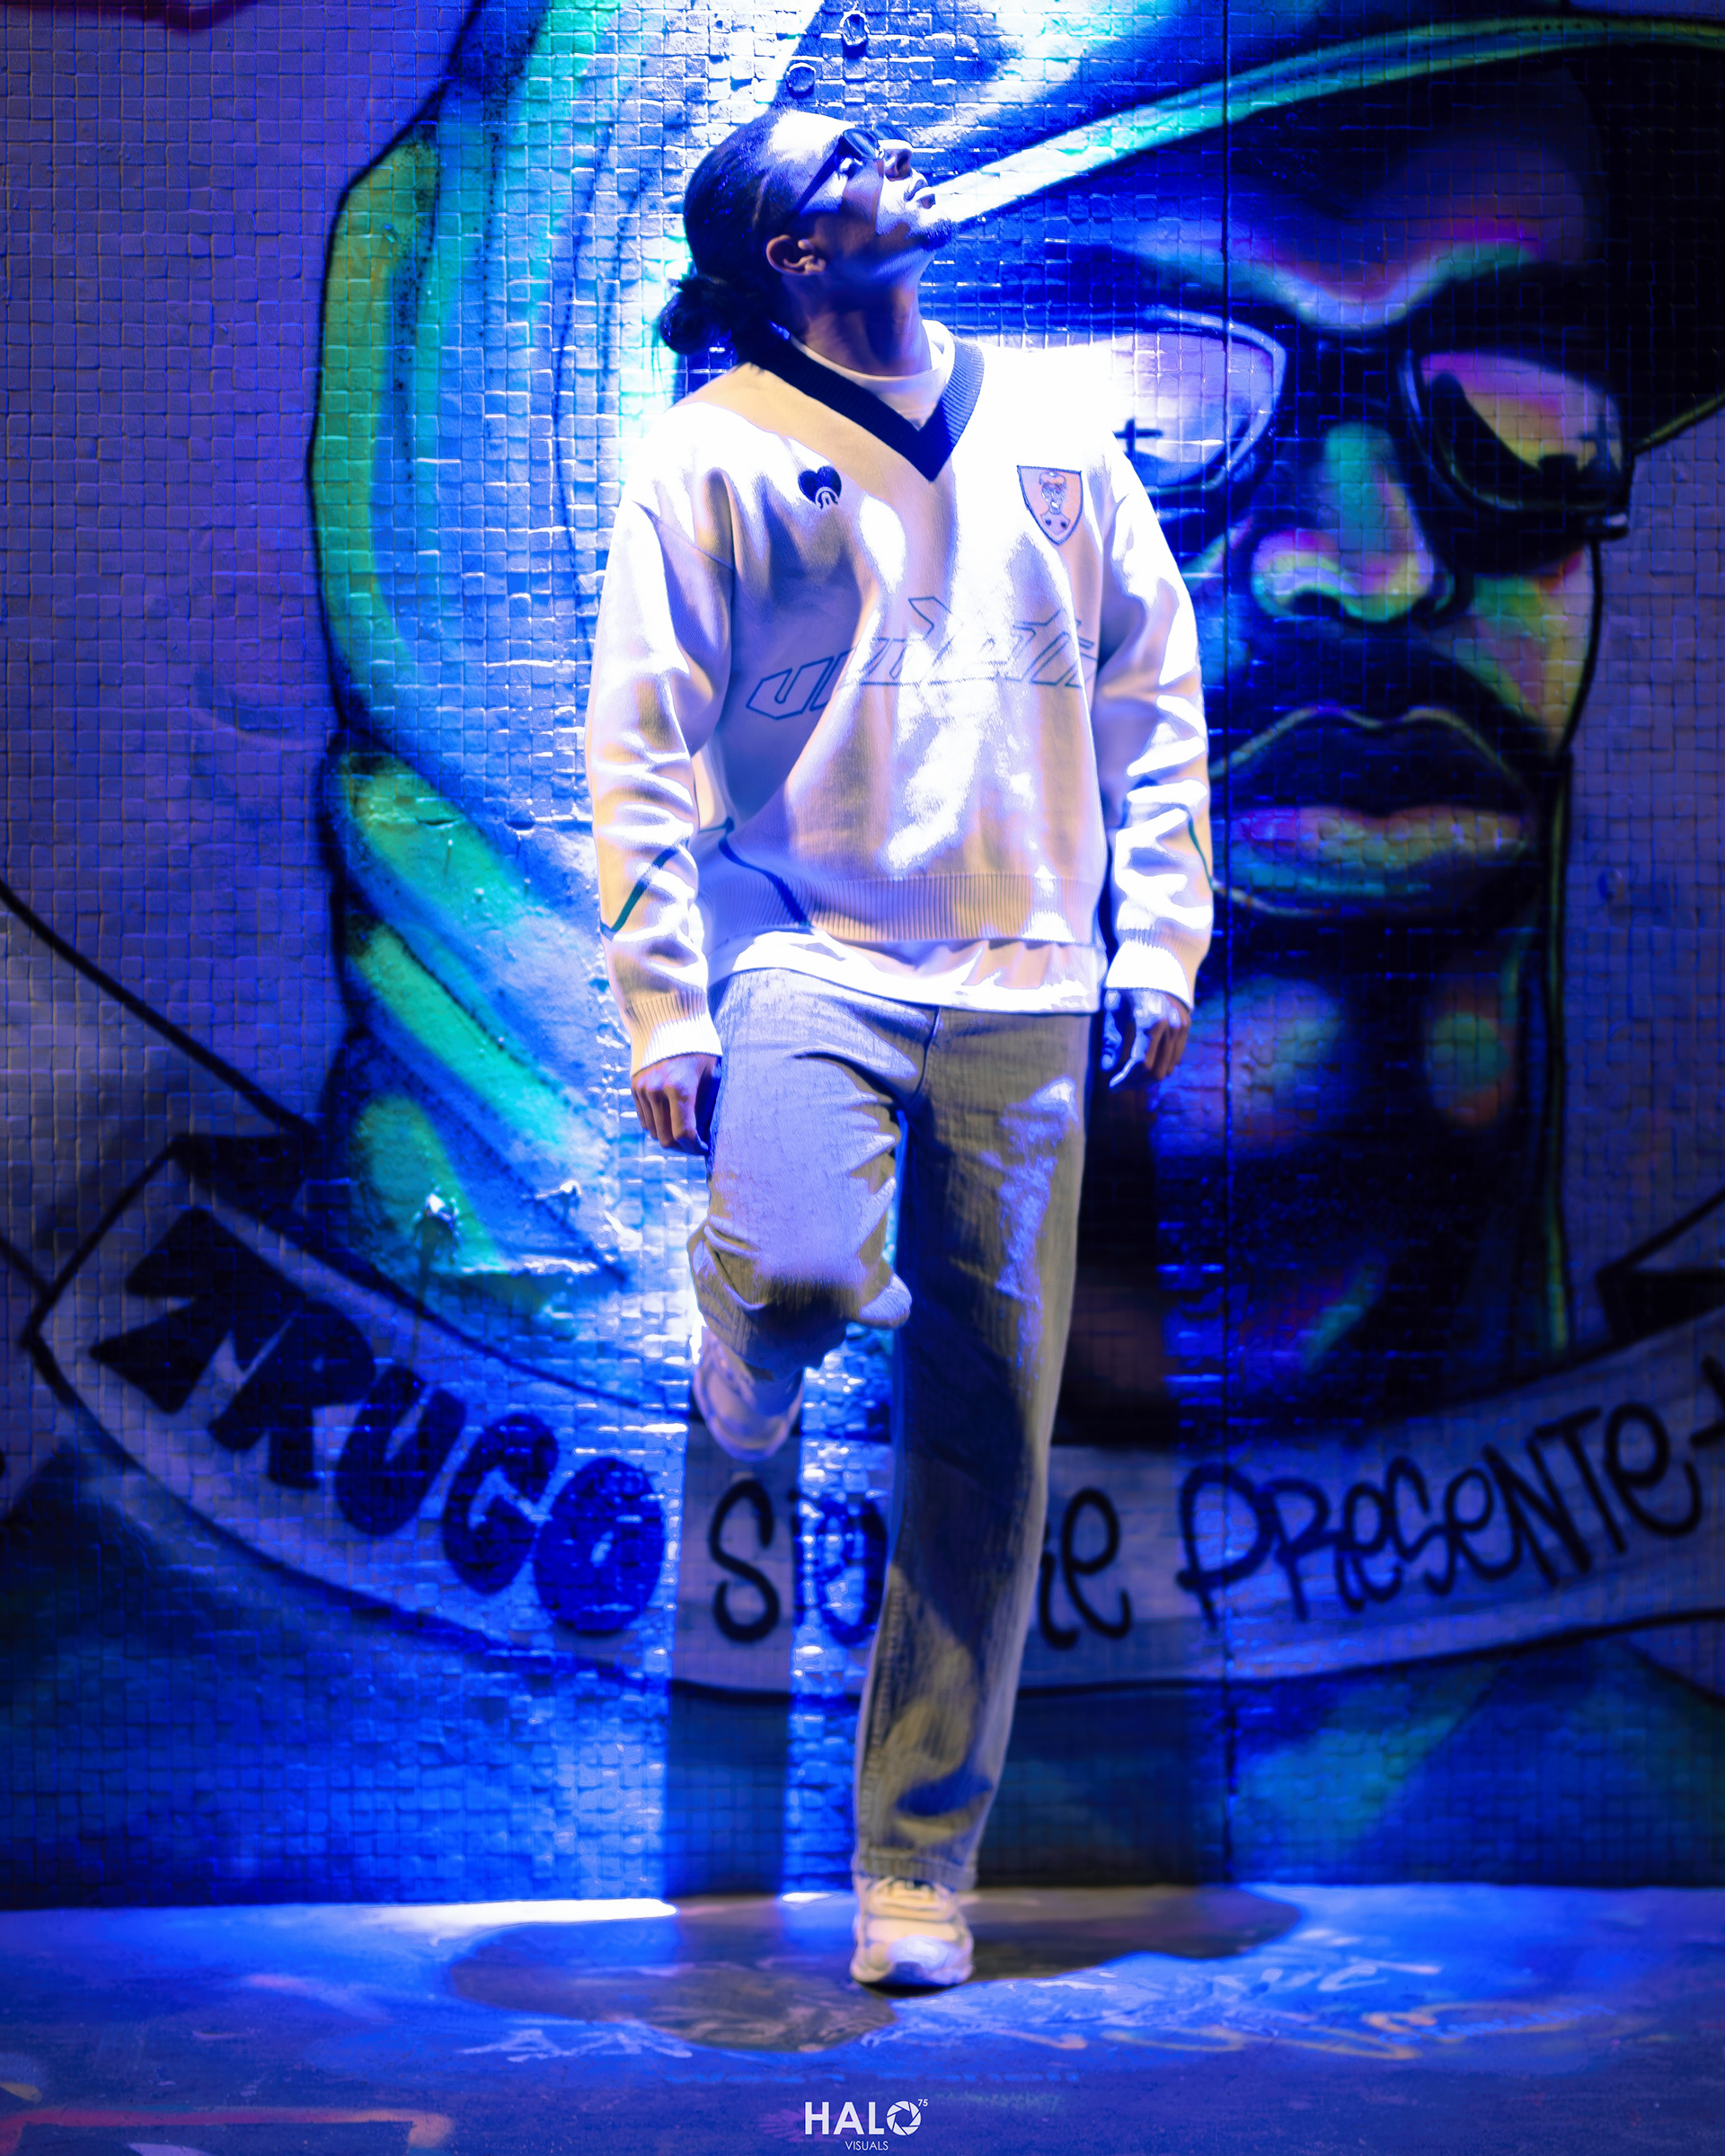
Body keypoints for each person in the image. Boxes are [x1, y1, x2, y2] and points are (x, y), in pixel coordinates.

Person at [583, 109, 1212, 1984]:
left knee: (983, 1449)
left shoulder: (1055, 428)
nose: (894, 159)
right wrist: (665, 1000)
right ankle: (747, 1332)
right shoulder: (710, 452)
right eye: (849, 158)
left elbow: (1154, 691)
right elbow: (640, 739)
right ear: (792, 251)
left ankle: (916, 1867)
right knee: (793, 1269)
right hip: (810, 960)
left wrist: (1159, 938)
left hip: (1033, 989)